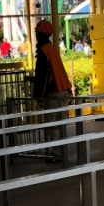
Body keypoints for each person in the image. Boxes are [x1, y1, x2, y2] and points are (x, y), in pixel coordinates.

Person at [32, 20, 72, 161]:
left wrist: (38, 95)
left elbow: (42, 75)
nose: (36, 34)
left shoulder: (43, 51)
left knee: (51, 123)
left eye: (36, 32)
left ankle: (57, 152)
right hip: (62, 89)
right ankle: (62, 151)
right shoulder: (52, 49)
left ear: (39, 34)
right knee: (60, 122)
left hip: (52, 92)